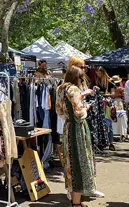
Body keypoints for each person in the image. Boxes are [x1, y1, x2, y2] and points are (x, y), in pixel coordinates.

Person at [57, 66, 97, 206]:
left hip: (68, 127)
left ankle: (76, 200)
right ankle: (76, 203)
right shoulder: (73, 89)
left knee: (71, 162)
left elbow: (58, 110)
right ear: (76, 77)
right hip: (77, 128)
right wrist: (86, 107)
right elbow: (79, 112)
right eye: (81, 78)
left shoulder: (60, 88)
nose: (82, 80)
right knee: (78, 163)